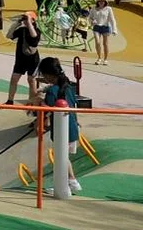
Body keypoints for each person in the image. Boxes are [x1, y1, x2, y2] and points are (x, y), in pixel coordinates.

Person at [35, 57, 82, 193]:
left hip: (62, 129)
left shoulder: (53, 91)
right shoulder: (68, 86)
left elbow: (48, 109)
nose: (42, 77)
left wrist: (39, 102)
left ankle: (68, 183)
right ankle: (70, 182)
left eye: (43, 74)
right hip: (72, 125)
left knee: (61, 157)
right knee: (63, 157)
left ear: (49, 74)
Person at [5, 11, 40, 106]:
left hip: (33, 60)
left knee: (31, 80)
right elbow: (9, 36)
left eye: (27, 18)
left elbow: (34, 36)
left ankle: (31, 102)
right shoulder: (22, 30)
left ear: (33, 20)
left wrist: (29, 22)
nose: (25, 20)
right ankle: (10, 100)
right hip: (21, 59)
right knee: (14, 79)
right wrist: (16, 23)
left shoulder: (36, 31)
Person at [88, 0, 118, 66]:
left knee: (105, 44)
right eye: (100, 1)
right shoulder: (93, 9)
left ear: (105, 2)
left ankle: (105, 59)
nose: (101, 2)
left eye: (103, 1)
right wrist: (92, 21)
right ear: (97, 2)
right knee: (97, 42)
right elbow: (90, 18)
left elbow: (112, 19)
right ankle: (99, 58)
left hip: (105, 27)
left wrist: (114, 29)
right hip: (97, 27)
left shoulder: (108, 9)